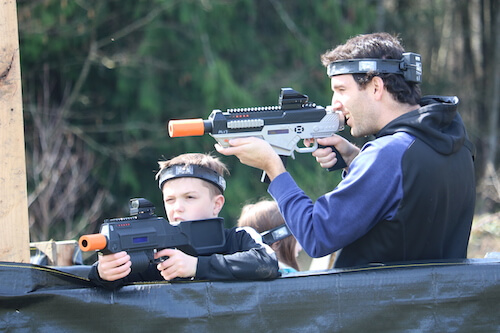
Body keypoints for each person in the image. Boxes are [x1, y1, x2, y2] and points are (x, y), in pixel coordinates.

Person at [216, 32, 476, 268]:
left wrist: (274, 168)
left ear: (376, 87)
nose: (335, 105)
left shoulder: (387, 155)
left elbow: (317, 236)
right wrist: (355, 159)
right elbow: (410, 212)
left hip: (383, 314)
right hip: (438, 312)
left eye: (341, 90)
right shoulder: (457, 143)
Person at [88, 153, 279, 288]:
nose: (177, 207)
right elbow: (109, 284)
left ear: (216, 204)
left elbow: (267, 263)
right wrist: (103, 273)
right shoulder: (157, 253)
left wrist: (196, 266)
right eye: (170, 200)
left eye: (190, 197)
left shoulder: (239, 238)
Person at [238, 200, 302, 273]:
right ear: (276, 244)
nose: (300, 247)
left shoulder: (244, 275)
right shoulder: (290, 275)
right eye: (295, 237)